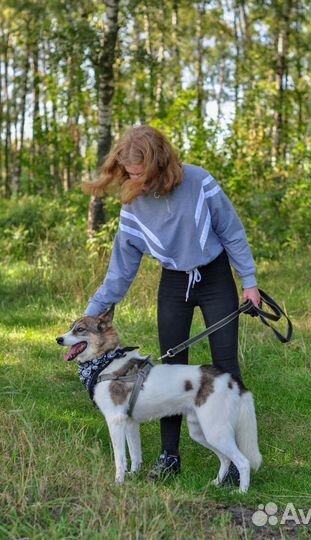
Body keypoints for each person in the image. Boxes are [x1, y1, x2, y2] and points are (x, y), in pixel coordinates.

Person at [83, 125, 261, 485]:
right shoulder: (132, 205)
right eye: (130, 174)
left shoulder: (200, 182)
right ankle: (169, 456)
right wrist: (92, 312)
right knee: (169, 369)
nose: (136, 182)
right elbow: (120, 272)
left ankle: (237, 456)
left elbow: (232, 231)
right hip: (174, 282)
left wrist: (250, 281)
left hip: (215, 278)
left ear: (161, 164)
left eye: (142, 174)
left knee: (225, 365)